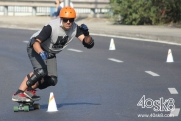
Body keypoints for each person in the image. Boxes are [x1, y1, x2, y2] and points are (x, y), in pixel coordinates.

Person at [12, 6, 94, 102]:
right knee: (41, 71)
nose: (68, 22)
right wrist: (41, 52)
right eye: (65, 19)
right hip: (36, 48)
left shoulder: (75, 28)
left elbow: (88, 44)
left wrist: (87, 34)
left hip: (50, 51)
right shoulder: (51, 27)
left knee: (52, 80)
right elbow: (36, 42)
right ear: (61, 19)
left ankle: (29, 90)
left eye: (71, 20)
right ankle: (19, 93)